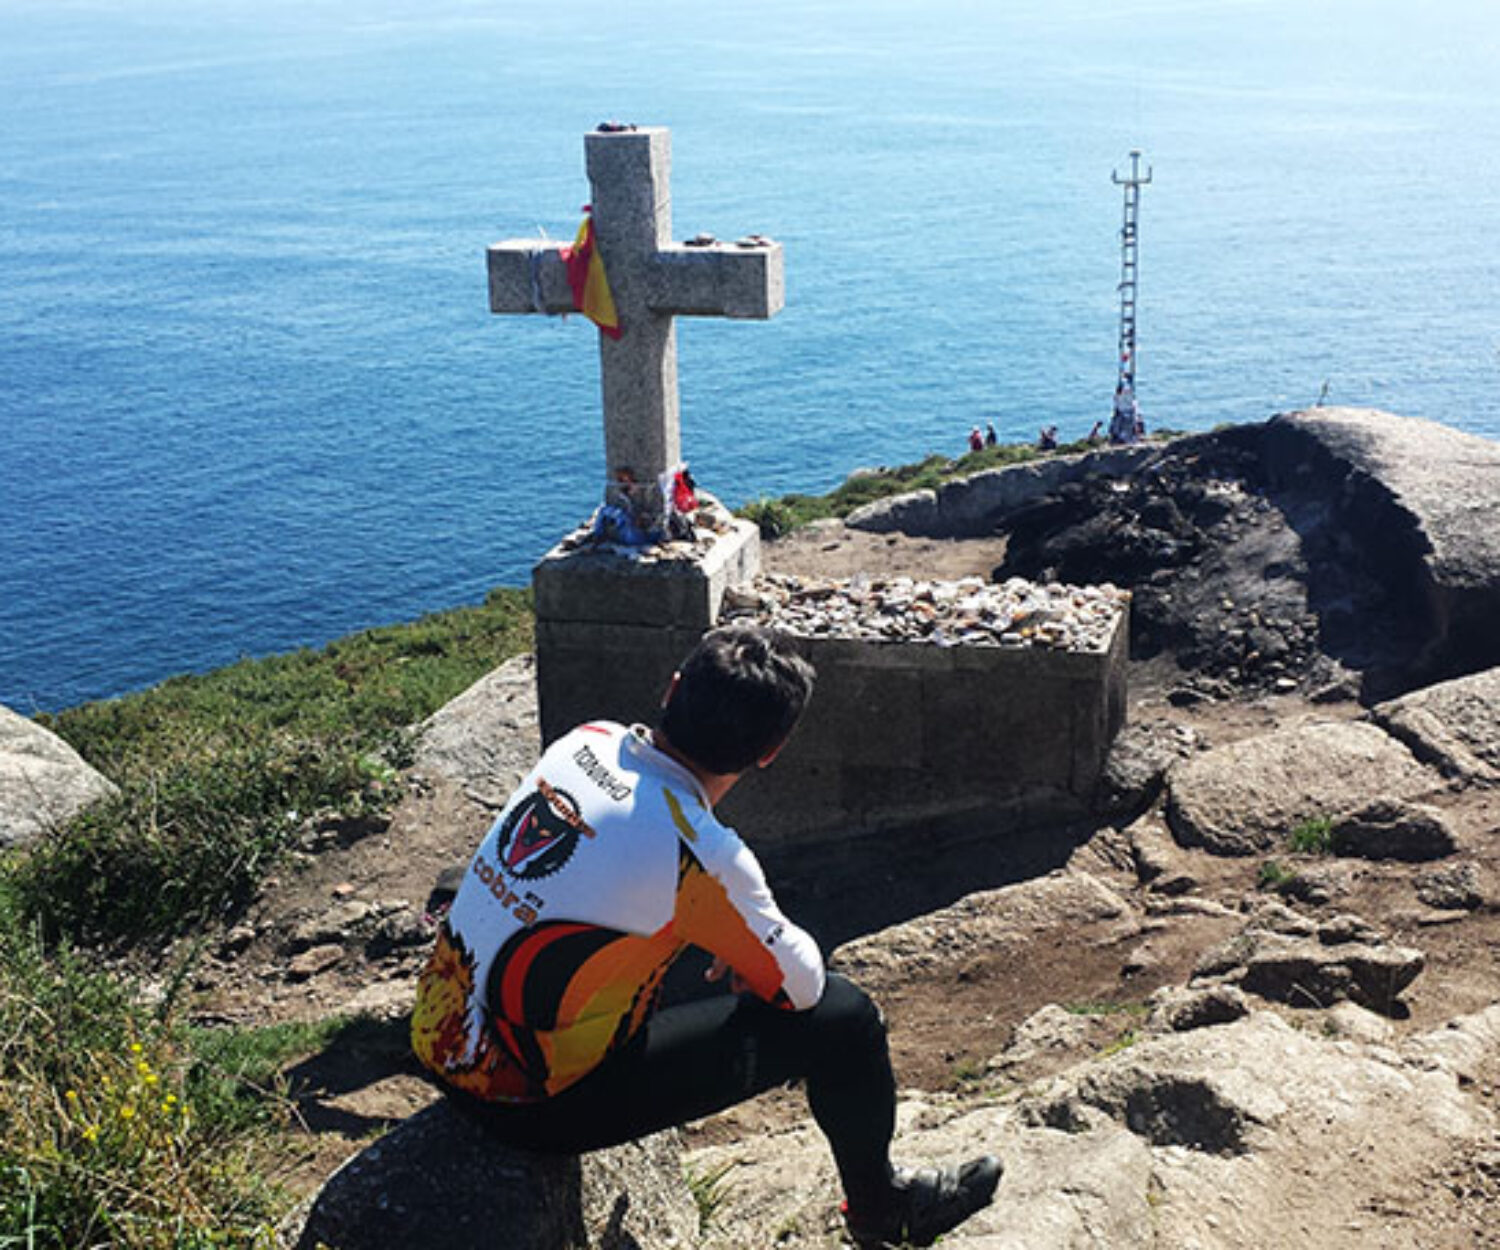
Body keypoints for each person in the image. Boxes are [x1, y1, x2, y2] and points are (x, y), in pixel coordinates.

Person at [411, 626, 1001, 1246]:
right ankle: (884, 1209)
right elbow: (802, 989)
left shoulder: (585, 741)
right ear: (771, 750)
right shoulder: (702, 852)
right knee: (846, 1020)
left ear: (672, 689)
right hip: (531, 1104)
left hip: (435, 1035)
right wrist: (741, 952)